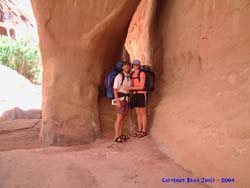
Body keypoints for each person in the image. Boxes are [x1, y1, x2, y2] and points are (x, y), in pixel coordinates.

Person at [126, 59, 148, 138]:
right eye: (134, 65)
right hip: (135, 95)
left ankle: (144, 131)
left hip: (141, 94)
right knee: (138, 113)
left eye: (136, 65)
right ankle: (139, 130)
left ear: (139, 65)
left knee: (143, 113)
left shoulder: (142, 73)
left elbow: (141, 87)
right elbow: (132, 84)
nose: (135, 66)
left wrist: (130, 88)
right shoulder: (132, 74)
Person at [113, 61, 131, 143]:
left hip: (126, 99)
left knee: (122, 118)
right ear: (122, 67)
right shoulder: (119, 76)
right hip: (120, 99)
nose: (127, 67)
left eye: (128, 66)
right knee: (119, 118)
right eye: (125, 66)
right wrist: (117, 101)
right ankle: (116, 136)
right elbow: (115, 89)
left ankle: (120, 134)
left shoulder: (128, 76)